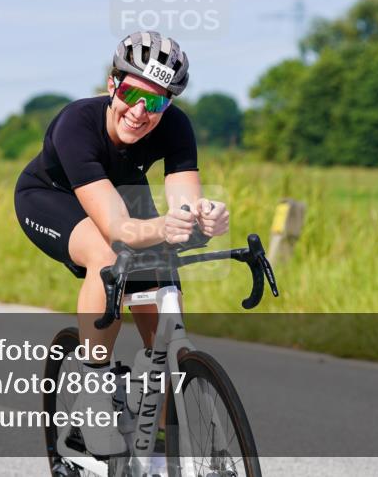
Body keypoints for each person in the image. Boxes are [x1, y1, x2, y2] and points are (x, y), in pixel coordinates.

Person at [14, 31, 229, 456]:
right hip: (54, 196)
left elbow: (184, 206)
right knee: (109, 255)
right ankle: (94, 387)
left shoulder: (176, 126)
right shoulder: (77, 123)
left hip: (121, 190)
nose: (140, 111)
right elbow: (117, 228)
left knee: (162, 305)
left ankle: (159, 431)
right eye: (133, 93)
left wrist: (204, 217)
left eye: (157, 102)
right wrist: (162, 229)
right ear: (113, 84)